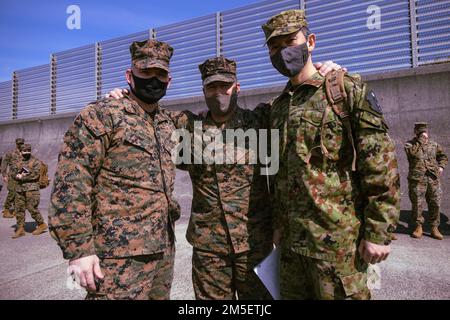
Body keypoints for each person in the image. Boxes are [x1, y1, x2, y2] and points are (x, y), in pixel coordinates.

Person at [263, 9, 400, 299]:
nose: (281, 51)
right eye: (274, 47)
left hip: (337, 247)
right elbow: (278, 174)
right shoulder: (277, 107)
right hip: (291, 247)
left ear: (310, 42)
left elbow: (379, 161)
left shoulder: (344, 89)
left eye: (289, 41)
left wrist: (378, 231)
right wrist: (277, 226)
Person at [49, 40, 181, 300]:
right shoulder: (101, 115)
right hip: (117, 257)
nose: (153, 80)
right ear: (129, 76)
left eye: (160, 74)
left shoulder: (168, 122)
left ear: (169, 80)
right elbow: (72, 183)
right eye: (145, 73)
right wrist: (79, 250)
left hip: (163, 252)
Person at [405, 122, 448, 240]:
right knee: (417, 204)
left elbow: (443, 156)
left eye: (424, 131)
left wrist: (441, 167)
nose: (423, 134)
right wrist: (421, 140)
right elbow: (414, 154)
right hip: (417, 179)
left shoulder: (434, 145)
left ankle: (434, 227)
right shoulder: (410, 145)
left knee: (435, 203)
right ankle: (418, 226)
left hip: (433, 178)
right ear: (415, 132)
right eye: (420, 131)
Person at [10, 144, 48, 238]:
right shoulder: (18, 162)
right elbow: (13, 173)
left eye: (28, 151)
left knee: (32, 208)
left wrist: (21, 176)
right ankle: (20, 229)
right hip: (19, 189)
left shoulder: (36, 162)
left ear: (30, 151)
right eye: (24, 151)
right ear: (21, 152)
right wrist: (17, 176)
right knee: (19, 209)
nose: (26, 153)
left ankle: (41, 224)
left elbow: (35, 175)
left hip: (32, 189)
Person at [1, 138, 25, 218]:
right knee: (12, 193)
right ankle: (6, 210)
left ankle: (16, 210)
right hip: (12, 177)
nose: (20, 145)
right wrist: (4, 175)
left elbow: (28, 164)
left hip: (21, 177)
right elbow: (4, 164)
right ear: (16, 144)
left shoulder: (25, 153)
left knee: (19, 194)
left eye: (22, 143)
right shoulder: (11, 153)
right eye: (19, 144)